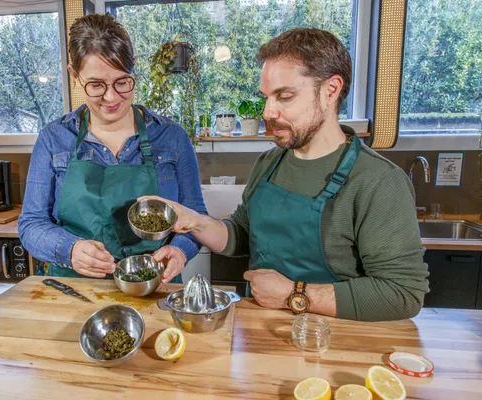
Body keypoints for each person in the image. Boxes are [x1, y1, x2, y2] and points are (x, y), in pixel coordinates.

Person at [142, 28, 429, 322]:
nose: (268, 112)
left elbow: (403, 293)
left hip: (332, 343)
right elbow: (242, 234)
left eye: (285, 96)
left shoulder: (378, 181)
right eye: (266, 97)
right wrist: (192, 221)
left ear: (331, 90)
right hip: (263, 338)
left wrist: (295, 294)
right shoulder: (270, 162)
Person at [19, 14, 207, 284]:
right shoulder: (54, 139)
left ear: (133, 71)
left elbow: (196, 217)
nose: (111, 97)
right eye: (96, 85)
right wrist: (69, 250)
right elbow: (31, 225)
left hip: (154, 286)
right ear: (74, 75)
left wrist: (180, 249)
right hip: (75, 288)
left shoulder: (171, 137)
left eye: (122, 82)